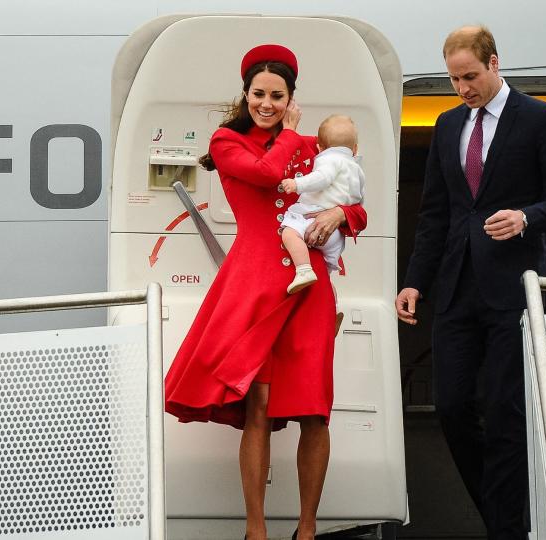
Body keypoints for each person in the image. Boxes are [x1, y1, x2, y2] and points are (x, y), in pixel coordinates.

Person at [164, 44, 367, 540]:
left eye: (278, 95)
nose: (268, 103)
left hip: (309, 286)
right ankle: (256, 530)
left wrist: (343, 215)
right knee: (257, 404)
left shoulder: (310, 147)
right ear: (246, 94)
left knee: (315, 410)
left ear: (290, 95)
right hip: (255, 284)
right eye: (260, 94)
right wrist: (294, 134)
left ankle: (307, 528)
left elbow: (352, 196)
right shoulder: (226, 141)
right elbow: (267, 174)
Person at [395, 26, 546, 540]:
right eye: (454, 79)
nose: (463, 89)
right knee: (452, 409)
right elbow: (435, 213)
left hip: (511, 289)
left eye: (471, 76)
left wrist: (526, 216)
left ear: (495, 63)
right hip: (455, 288)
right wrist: (415, 282)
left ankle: (506, 530)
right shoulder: (447, 123)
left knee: (504, 414)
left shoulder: (540, 118)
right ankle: (504, 519)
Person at [280, 114, 365, 294]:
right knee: (325, 278)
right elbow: (359, 201)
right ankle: (331, 299)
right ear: (355, 149)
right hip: (335, 238)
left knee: (289, 232)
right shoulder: (356, 167)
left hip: (311, 222)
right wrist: (342, 209)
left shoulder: (327, 158)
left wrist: (297, 184)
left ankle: (303, 270)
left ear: (320, 148)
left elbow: (322, 178)